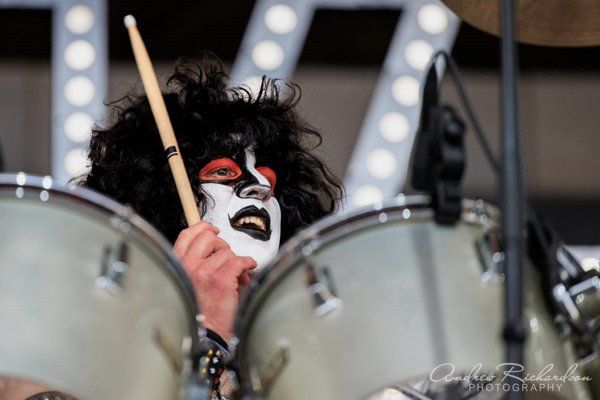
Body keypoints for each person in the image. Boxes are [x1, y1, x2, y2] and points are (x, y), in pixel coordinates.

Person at [82, 52, 343, 398]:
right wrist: (205, 336)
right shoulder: (89, 352)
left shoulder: (318, 360)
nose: (260, 187)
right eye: (223, 173)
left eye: (267, 177)